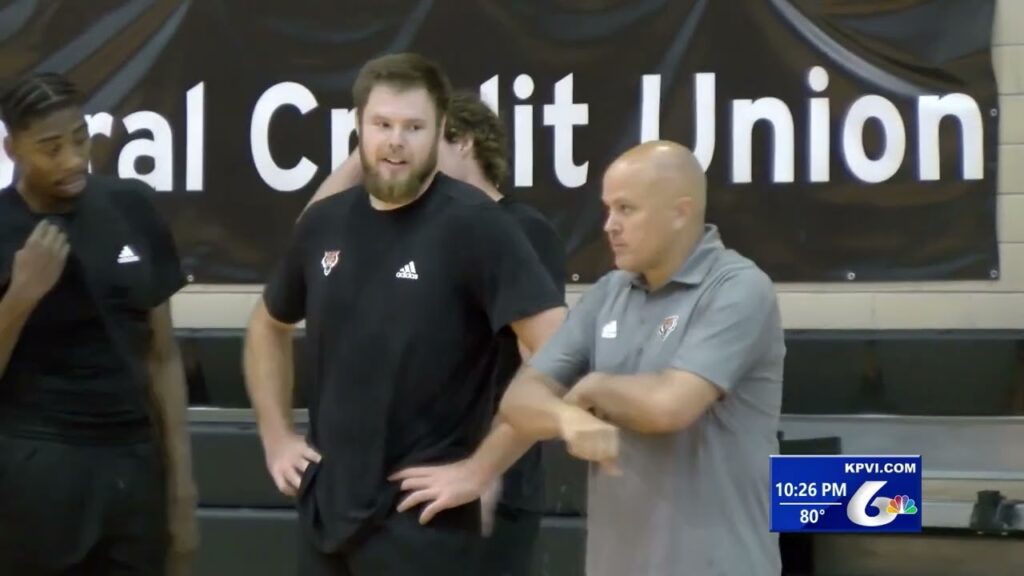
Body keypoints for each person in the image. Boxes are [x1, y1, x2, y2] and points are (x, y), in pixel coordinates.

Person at [242, 53, 566, 576]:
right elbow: (267, 325)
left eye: (413, 127)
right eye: (383, 124)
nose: (396, 140)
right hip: (328, 510)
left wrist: (482, 467)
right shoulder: (324, 222)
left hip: (425, 520)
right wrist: (276, 435)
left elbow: (560, 352)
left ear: (440, 131)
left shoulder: (477, 225)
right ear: (359, 129)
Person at [500, 140, 786, 576]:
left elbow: (670, 406)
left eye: (626, 209)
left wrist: (594, 388)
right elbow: (519, 400)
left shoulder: (738, 288)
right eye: (608, 209)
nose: (610, 225)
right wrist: (567, 418)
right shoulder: (609, 292)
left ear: (680, 212)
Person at [0, 72, 197, 575]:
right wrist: (22, 294)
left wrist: (181, 486)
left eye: (80, 139)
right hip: (36, 463)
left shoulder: (131, 208)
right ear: (12, 148)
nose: (72, 160)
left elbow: (163, 353)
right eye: (50, 147)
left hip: (133, 460)